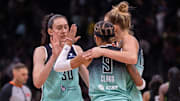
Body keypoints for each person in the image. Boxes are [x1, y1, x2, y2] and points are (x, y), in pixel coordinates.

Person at [84, 1, 145, 101]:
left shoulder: (128, 39)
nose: (103, 28)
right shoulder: (116, 45)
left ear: (115, 27)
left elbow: (132, 58)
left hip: (129, 97)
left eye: (105, 25)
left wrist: (102, 52)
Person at [33, 13, 89, 101]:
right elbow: (37, 83)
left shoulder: (76, 49)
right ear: (50, 31)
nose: (63, 31)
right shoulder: (42, 51)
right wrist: (53, 57)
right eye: (59, 28)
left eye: (66, 27)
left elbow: (89, 81)